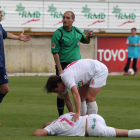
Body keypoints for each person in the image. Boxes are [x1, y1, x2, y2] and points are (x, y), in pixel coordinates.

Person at [51, 11, 93, 116]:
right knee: (62, 92)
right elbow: (55, 53)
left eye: (68, 18)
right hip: (64, 66)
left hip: (77, 66)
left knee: (81, 90)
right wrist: (60, 69)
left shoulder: (77, 31)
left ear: (73, 20)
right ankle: (61, 116)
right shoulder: (58, 33)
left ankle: (84, 115)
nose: (65, 20)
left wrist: (89, 36)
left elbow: (86, 41)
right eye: (64, 17)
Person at [0, 9, 30, 103]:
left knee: (5, 89)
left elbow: (5, 34)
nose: (1, 14)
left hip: (1, 64)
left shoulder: (0, 26)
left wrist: (18, 37)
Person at [33, 112, 140, 138]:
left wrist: (47, 130)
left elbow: (37, 133)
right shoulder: (64, 115)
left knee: (126, 133)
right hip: (94, 117)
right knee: (113, 130)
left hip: (91, 128)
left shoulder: (54, 126)